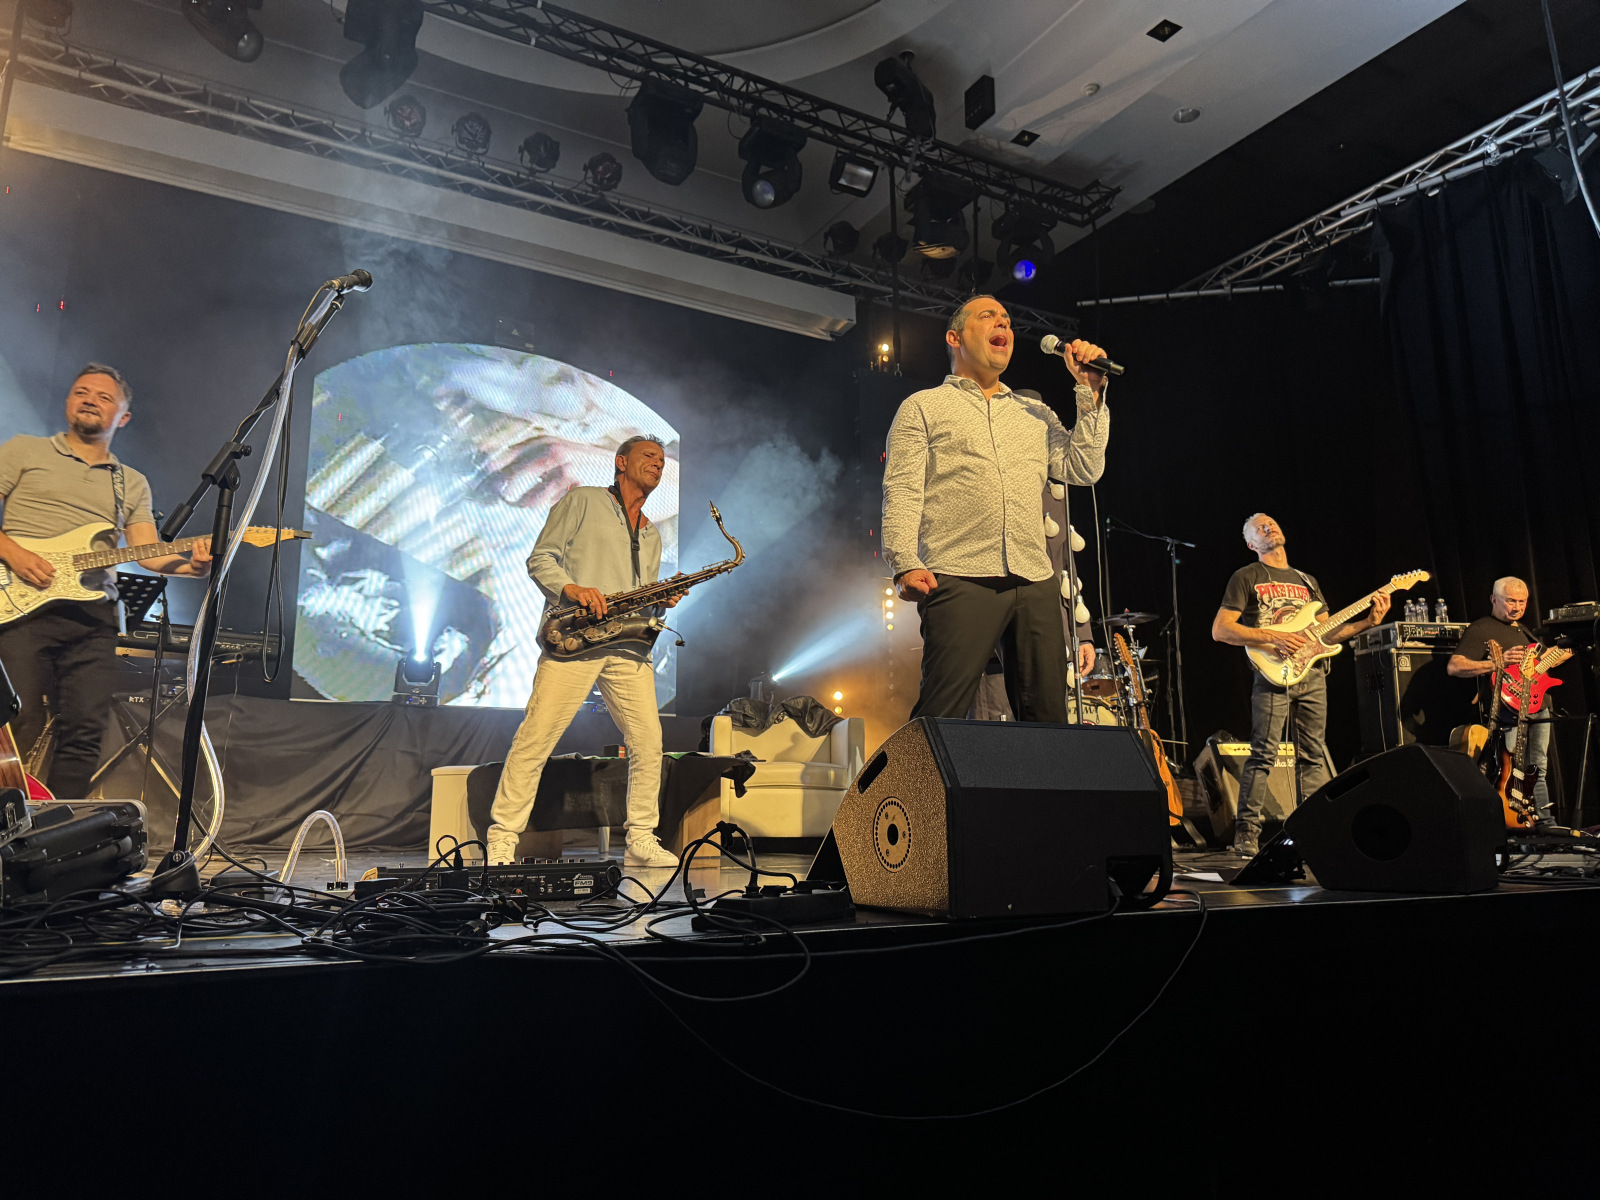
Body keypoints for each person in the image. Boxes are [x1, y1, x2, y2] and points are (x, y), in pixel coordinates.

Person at [882, 295, 1111, 722]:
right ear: (955, 338)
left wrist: (1091, 392)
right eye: (988, 317)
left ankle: (1041, 773)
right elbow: (902, 490)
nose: (1002, 323)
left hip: (1034, 578)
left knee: (1047, 720)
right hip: (959, 573)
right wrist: (904, 562)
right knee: (941, 714)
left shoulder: (1034, 413)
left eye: (1006, 319)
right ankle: (913, 771)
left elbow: (1083, 468)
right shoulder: (923, 407)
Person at [0, 364, 212, 799]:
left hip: (92, 616)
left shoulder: (130, 482)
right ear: (67, 402)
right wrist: (14, 552)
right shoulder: (23, 451)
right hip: (20, 606)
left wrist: (194, 566)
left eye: (103, 397)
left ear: (123, 417)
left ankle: (62, 827)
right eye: (81, 392)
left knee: (85, 729)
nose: (90, 400)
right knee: (18, 721)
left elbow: (147, 552)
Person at [487, 435, 681, 868]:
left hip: (627, 651)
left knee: (649, 743)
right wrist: (572, 589)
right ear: (621, 462)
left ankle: (641, 838)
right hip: (575, 640)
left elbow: (639, 601)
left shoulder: (651, 533)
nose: (657, 463)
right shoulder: (583, 500)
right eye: (648, 456)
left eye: (662, 459)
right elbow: (541, 559)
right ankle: (502, 838)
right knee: (536, 737)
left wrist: (661, 599)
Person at [1211, 513, 1390, 856]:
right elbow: (1221, 630)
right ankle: (1246, 835)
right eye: (1259, 528)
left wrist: (1368, 621)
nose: (1269, 527)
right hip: (1272, 674)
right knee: (1263, 753)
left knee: (1313, 756)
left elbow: (1327, 633)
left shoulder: (1306, 580)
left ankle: (1314, 832)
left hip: (1312, 675)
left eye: (1271, 523)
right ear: (1251, 544)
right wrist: (1271, 636)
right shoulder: (1246, 576)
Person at [1448, 576, 1552, 821]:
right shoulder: (1481, 628)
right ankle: (1509, 822)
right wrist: (1498, 662)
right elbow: (1454, 666)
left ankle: (1544, 822)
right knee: (1511, 768)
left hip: (1539, 705)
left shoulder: (1523, 630)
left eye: (1522, 602)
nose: (1517, 607)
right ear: (1493, 599)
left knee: (1538, 767)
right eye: (1511, 601)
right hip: (1508, 709)